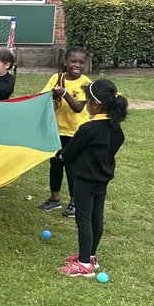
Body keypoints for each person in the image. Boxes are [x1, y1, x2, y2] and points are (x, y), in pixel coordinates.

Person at [57, 79, 128, 277]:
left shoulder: (88, 129)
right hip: (101, 181)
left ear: (94, 104)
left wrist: (61, 155)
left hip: (85, 181)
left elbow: (70, 153)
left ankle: (83, 264)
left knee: (84, 220)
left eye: (87, 100)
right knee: (97, 217)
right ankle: (90, 256)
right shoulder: (116, 129)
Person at [39, 47, 92, 217]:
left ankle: (74, 203)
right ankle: (55, 199)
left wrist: (64, 93)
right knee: (55, 164)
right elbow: (44, 98)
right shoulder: (56, 78)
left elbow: (78, 107)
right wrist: (53, 93)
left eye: (81, 62)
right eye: (73, 61)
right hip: (56, 130)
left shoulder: (85, 83)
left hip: (75, 132)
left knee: (72, 167)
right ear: (65, 62)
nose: (77, 65)